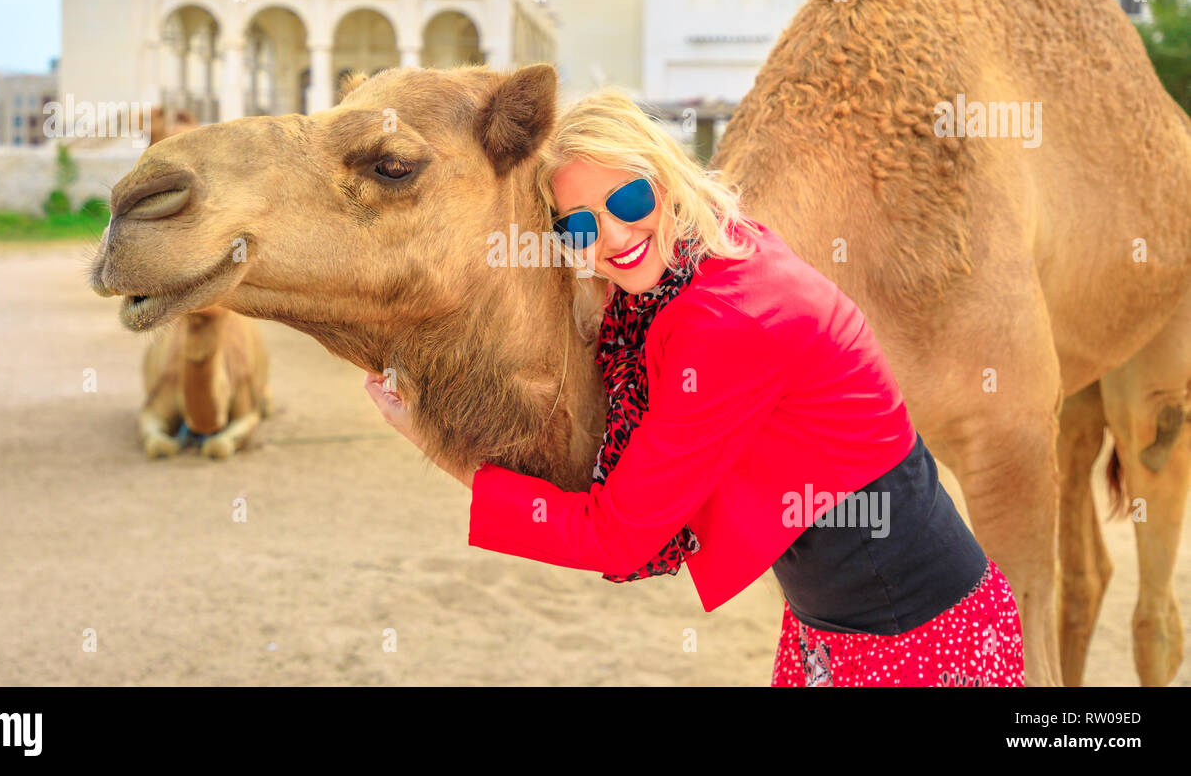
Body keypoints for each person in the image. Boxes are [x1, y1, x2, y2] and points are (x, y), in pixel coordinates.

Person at [364, 88, 1025, 687]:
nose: (615, 235)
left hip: (916, 645)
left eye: (627, 200)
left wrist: (437, 442)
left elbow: (620, 535)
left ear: (665, 176)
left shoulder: (726, 324)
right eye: (582, 227)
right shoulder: (715, 249)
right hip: (842, 627)